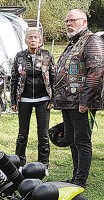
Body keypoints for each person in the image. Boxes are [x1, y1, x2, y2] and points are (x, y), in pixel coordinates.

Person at [53, 9, 104, 187]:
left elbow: (97, 71)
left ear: (84, 22)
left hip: (81, 102)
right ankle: (75, 177)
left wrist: (86, 101)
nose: (68, 24)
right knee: (72, 140)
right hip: (68, 102)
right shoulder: (73, 42)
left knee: (82, 141)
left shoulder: (92, 40)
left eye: (73, 20)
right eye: (67, 21)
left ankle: (80, 181)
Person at [10, 27, 55, 167]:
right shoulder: (19, 56)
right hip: (24, 100)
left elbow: (54, 77)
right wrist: (13, 100)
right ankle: (19, 163)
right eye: (30, 37)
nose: (33, 40)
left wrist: (53, 99)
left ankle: (44, 165)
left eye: (36, 37)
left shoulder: (47, 55)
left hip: (43, 100)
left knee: (43, 135)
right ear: (25, 40)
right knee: (22, 134)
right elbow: (14, 79)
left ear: (40, 40)